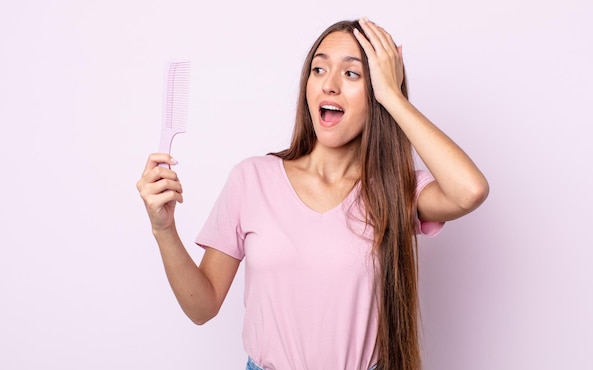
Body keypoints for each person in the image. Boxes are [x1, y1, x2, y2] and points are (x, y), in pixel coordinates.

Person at [137, 17, 489, 370]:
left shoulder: (395, 190)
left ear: (377, 91)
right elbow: (202, 307)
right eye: (319, 69)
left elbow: (470, 191)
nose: (330, 85)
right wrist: (164, 229)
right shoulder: (252, 179)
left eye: (352, 74)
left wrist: (393, 98)